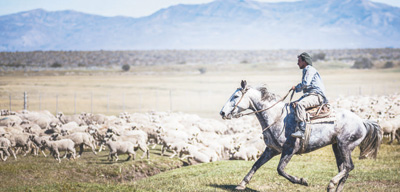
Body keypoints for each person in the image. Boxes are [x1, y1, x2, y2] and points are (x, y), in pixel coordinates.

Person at [291, 52, 327, 138]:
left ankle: (302, 131)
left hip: (316, 95)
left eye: (299, 61)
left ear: (305, 61)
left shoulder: (309, 69)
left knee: (300, 105)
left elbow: (305, 83)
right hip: (311, 95)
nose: (297, 63)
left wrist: (296, 88)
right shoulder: (307, 70)